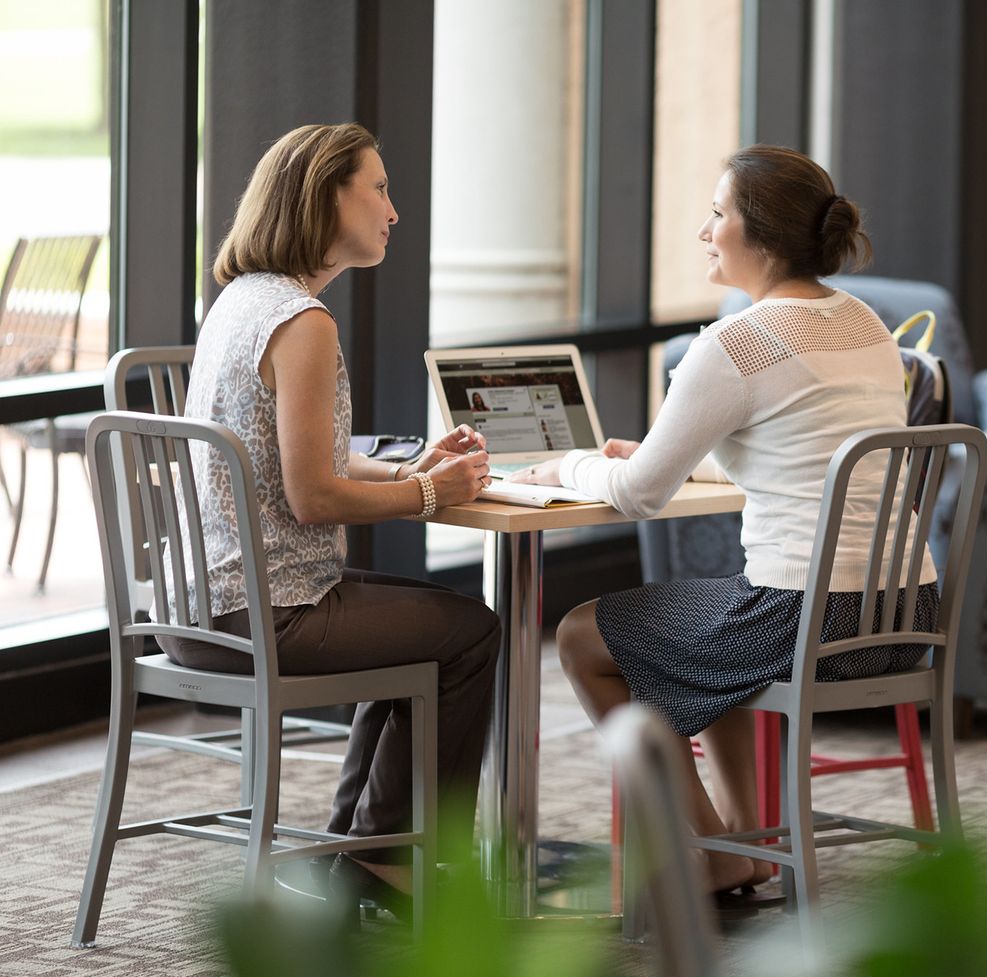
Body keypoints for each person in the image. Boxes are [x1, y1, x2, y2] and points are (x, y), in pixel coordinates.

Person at [509, 145, 939, 895]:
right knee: (700, 635)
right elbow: (799, 451)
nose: (705, 230)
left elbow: (638, 496)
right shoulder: (866, 326)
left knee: (583, 635)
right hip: (904, 612)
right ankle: (742, 841)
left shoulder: (737, 342)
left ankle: (712, 846)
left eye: (718, 214)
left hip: (809, 615)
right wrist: (654, 455)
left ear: (761, 232)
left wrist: (567, 467)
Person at [158, 123, 500, 919]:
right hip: (267, 613)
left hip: (200, 607)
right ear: (324, 197)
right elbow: (314, 496)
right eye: (378, 188)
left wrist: (411, 470)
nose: (394, 210)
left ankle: (361, 854)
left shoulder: (244, 302)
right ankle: (385, 864)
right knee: (472, 631)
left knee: (422, 628)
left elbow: (296, 456)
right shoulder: (304, 323)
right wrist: (431, 497)